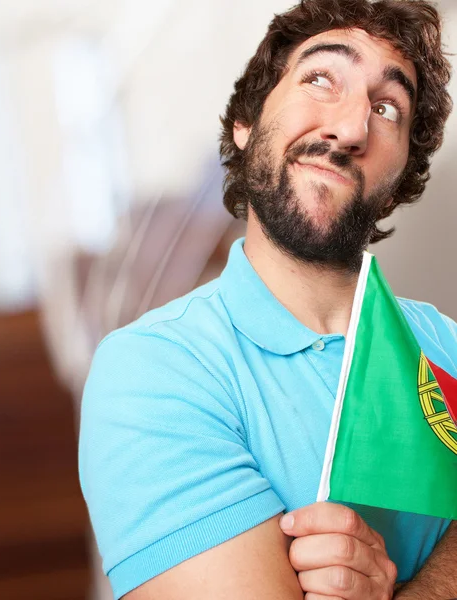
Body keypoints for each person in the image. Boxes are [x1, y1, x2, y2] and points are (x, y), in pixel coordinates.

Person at [78, 0, 457, 598]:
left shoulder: (446, 344)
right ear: (247, 122)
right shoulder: (154, 371)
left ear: (396, 186)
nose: (351, 127)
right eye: (320, 79)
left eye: (387, 108)